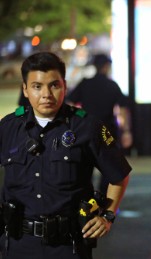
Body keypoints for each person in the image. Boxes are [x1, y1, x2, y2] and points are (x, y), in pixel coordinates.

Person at [0, 52, 131, 258]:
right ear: (25, 90)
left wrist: (107, 216)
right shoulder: (8, 127)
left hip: (68, 246)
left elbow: (119, 175)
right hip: (17, 244)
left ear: (65, 86)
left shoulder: (87, 127)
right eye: (37, 86)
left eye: (54, 85)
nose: (46, 94)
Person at [67, 53, 132, 195]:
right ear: (106, 66)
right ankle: (103, 199)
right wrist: (126, 130)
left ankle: (86, 199)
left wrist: (78, 116)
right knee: (108, 168)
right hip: (107, 131)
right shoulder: (112, 85)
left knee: (85, 167)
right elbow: (123, 108)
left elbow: (70, 102)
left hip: (85, 130)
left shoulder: (85, 83)